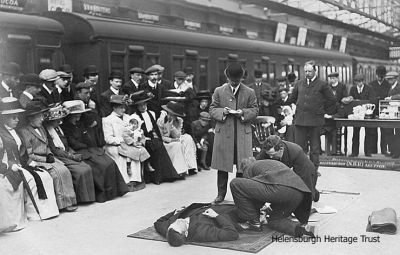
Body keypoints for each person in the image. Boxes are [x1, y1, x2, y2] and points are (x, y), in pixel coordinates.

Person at [0, 97, 59, 232]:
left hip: (21, 162)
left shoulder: (16, 131)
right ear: (4, 119)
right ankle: (33, 213)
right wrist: (11, 165)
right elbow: (3, 153)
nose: (17, 120)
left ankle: (47, 211)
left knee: (44, 175)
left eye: (17, 117)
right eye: (13, 117)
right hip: (9, 165)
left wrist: (29, 162)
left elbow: (23, 151)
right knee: (31, 179)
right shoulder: (2, 133)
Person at [209, 63, 258, 204]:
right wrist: (222, 112)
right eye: (232, 80)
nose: (235, 83)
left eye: (237, 80)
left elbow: (255, 110)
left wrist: (243, 113)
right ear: (227, 77)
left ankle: (240, 196)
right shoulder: (219, 91)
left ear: (241, 78)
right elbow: (212, 109)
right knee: (222, 166)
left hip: (242, 133)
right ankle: (220, 195)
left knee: (242, 166)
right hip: (224, 133)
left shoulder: (249, 92)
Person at [61, 100, 129, 201]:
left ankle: (115, 191)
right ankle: (103, 194)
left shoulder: (80, 124)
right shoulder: (66, 127)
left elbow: (88, 138)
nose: (78, 116)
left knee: (110, 162)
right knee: (101, 166)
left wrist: (87, 140)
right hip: (79, 151)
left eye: (79, 114)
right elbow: (73, 143)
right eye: (75, 115)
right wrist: (86, 143)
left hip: (90, 149)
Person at [230, 157, 315, 237]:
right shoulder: (268, 164)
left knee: (235, 184)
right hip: (299, 193)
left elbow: (251, 196)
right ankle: (301, 229)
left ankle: (254, 223)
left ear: (244, 167)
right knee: (275, 220)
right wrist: (267, 209)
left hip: (280, 189)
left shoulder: (248, 169)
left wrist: (254, 214)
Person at [18, 100, 78, 212]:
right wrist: (45, 159)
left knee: (64, 170)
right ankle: (62, 204)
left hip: (48, 157)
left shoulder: (41, 127)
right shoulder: (24, 131)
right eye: (39, 116)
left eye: (42, 116)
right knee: (56, 173)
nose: (42, 119)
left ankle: (70, 200)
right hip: (36, 160)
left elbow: (47, 145)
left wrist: (49, 154)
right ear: (31, 118)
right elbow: (29, 154)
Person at [288, 60, 336, 169]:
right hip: (300, 121)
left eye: (309, 71)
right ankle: (300, 169)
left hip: (315, 121)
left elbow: (332, 99)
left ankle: (313, 170)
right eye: (305, 71)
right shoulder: (299, 83)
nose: (307, 74)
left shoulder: (322, 84)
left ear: (315, 71)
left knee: (315, 149)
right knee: (299, 147)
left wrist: (321, 109)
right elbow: (292, 99)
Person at [44, 104, 96, 203]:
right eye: (57, 120)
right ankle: (81, 199)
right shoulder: (48, 131)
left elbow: (66, 144)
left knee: (87, 167)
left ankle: (89, 197)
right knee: (80, 171)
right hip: (59, 156)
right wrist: (71, 156)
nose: (60, 122)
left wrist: (72, 153)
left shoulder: (59, 128)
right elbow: (54, 150)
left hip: (66, 152)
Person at [130, 91, 180, 184]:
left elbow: (154, 128)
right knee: (156, 145)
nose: (143, 107)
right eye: (140, 105)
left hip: (152, 137)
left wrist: (156, 136)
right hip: (142, 138)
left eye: (144, 104)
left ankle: (165, 175)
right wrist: (144, 138)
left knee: (159, 144)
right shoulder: (134, 116)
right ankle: (156, 176)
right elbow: (134, 132)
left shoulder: (151, 113)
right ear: (136, 106)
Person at [256, 135, 319, 202]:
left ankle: (314, 193)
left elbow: (303, 178)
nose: (270, 157)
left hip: (304, 170)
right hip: (280, 167)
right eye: (268, 154)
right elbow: (256, 167)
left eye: (273, 154)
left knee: (304, 193)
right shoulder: (266, 151)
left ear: (281, 149)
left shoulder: (296, 151)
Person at [103, 95, 144, 191]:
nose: (123, 110)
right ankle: (125, 183)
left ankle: (135, 180)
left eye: (124, 107)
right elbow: (108, 138)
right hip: (115, 144)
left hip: (129, 143)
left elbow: (135, 130)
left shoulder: (128, 118)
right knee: (122, 155)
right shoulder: (108, 120)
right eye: (121, 107)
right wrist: (122, 140)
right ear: (114, 108)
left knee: (136, 152)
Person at [154, 203, 240, 247]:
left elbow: (158, 223)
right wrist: (216, 216)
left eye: (173, 223)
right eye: (179, 224)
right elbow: (232, 234)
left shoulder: (169, 230)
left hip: (203, 206)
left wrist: (174, 212)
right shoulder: (202, 232)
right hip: (231, 212)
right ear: (186, 233)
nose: (177, 221)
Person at [157, 101, 198, 175]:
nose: (173, 116)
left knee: (187, 138)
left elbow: (178, 135)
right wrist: (171, 139)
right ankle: (178, 170)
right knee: (177, 144)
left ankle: (190, 165)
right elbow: (161, 136)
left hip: (175, 137)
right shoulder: (161, 120)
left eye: (175, 115)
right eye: (171, 114)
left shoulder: (179, 120)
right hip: (165, 141)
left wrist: (172, 126)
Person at [348, 74, 376, 157]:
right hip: (357, 115)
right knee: (355, 133)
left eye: (360, 82)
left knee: (368, 132)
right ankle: (354, 152)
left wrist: (362, 102)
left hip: (367, 114)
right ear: (355, 82)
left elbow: (372, 99)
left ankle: (367, 152)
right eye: (357, 82)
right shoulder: (353, 89)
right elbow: (350, 99)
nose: (359, 84)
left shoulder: (369, 88)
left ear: (363, 81)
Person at [323, 72, 348, 155]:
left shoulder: (342, 86)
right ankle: (329, 150)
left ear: (337, 78)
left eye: (333, 78)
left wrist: (339, 108)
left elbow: (345, 98)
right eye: (331, 78)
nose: (332, 80)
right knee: (329, 130)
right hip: (329, 109)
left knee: (338, 131)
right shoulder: (328, 86)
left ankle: (337, 149)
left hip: (338, 110)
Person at [369, 66, 391, 156]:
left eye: (382, 76)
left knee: (385, 131)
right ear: (376, 75)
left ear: (385, 76)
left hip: (384, 111)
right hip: (373, 111)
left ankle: (384, 150)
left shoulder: (388, 84)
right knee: (372, 131)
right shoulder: (371, 84)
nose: (380, 78)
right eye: (379, 76)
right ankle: (373, 150)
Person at [384, 71, 400, 158]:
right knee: (389, 131)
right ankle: (392, 150)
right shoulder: (389, 87)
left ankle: (397, 152)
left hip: (398, 112)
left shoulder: (399, 86)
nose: (389, 80)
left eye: (391, 79)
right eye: (388, 79)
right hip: (390, 112)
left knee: (398, 133)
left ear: (396, 78)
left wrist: (391, 98)